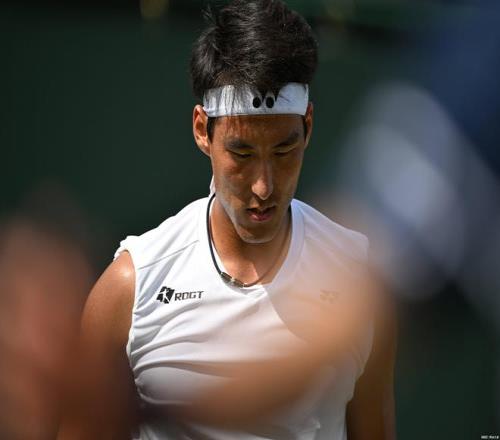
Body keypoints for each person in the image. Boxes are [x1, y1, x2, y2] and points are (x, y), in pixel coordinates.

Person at [58, 1, 397, 439]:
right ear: (203, 131)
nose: (263, 186)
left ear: (308, 127)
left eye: (284, 150)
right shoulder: (128, 290)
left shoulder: (359, 281)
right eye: (242, 153)